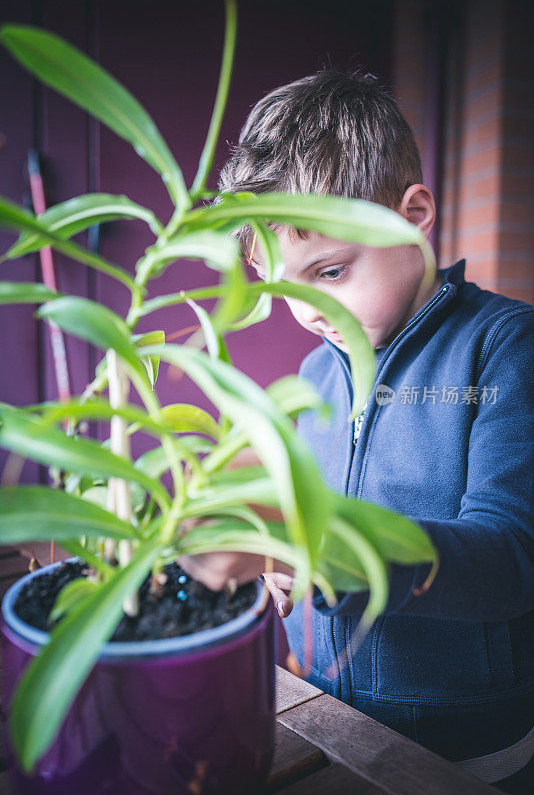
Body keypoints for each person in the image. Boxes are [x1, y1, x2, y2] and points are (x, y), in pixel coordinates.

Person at [179, 69, 534, 792]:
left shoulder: (505, 348)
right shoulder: (314, 372)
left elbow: (511, 559)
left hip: (467, 751)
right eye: (284, 287)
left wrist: (324, 541)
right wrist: (284, 565)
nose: (310, 312)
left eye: (332, 271)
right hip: (324, 719)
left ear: (414, 214)